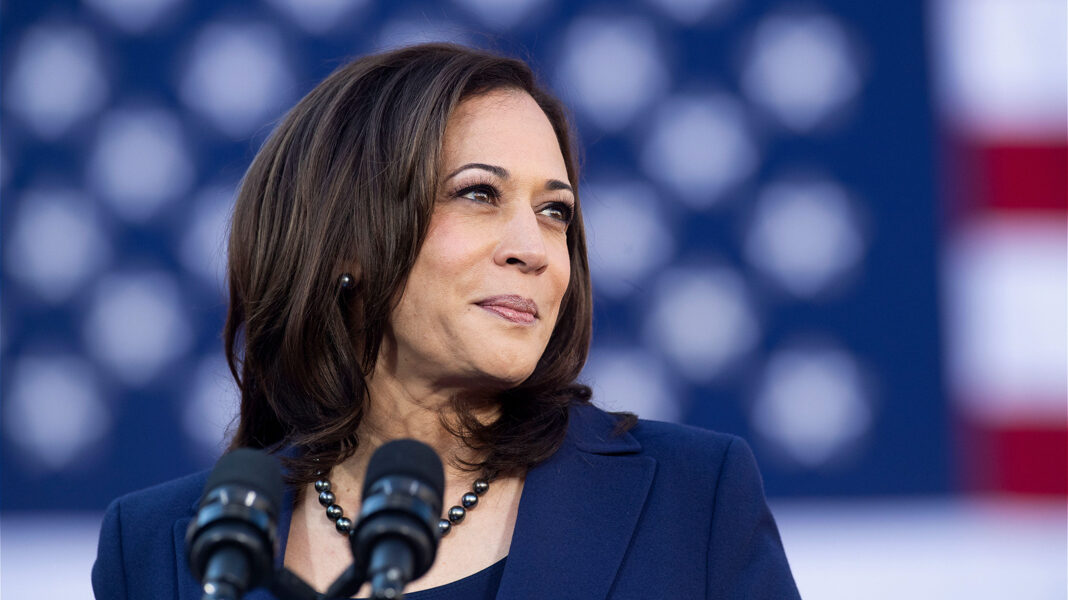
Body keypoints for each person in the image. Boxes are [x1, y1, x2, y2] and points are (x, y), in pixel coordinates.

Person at [92, 42, 801, 599]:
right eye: (479, 195)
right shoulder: (159, 548)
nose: (536, 251)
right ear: (347, 240)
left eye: (555, 212)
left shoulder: (693, 501)